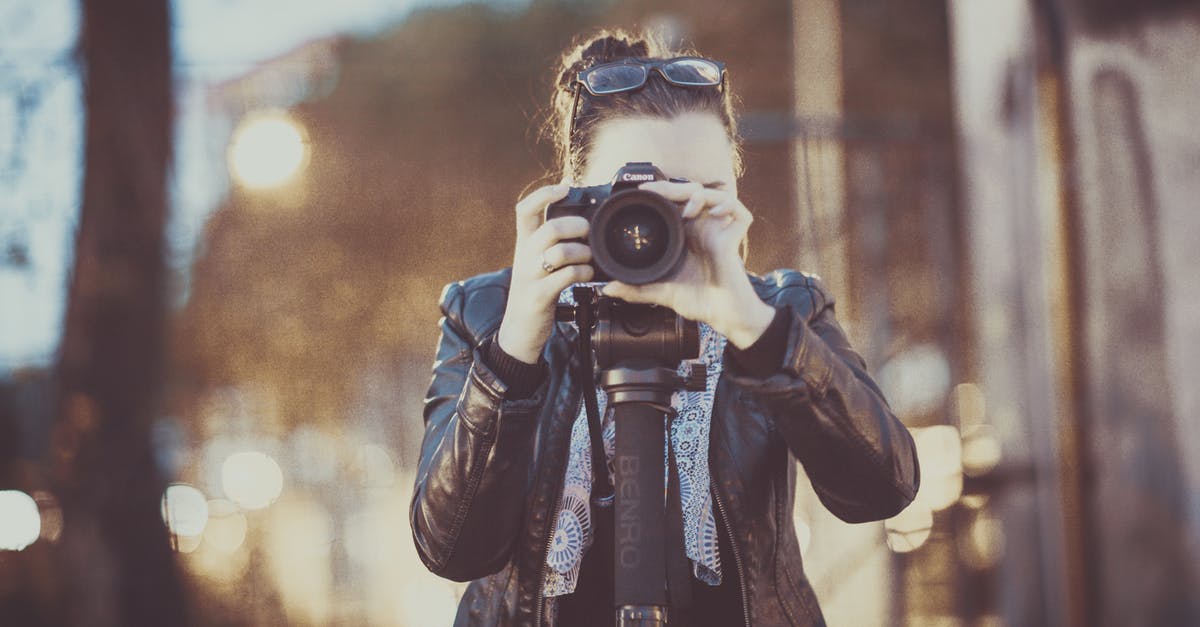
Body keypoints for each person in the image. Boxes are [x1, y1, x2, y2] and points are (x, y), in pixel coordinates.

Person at [411, 29, 920, 627]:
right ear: (574, 197)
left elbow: (883, 491)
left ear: (737, 193)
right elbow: (450, 548)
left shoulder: (781, 310)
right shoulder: (488, 313)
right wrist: (516, 347)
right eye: (640, 195)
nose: (664, 224)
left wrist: (753, 328)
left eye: (702, 195)